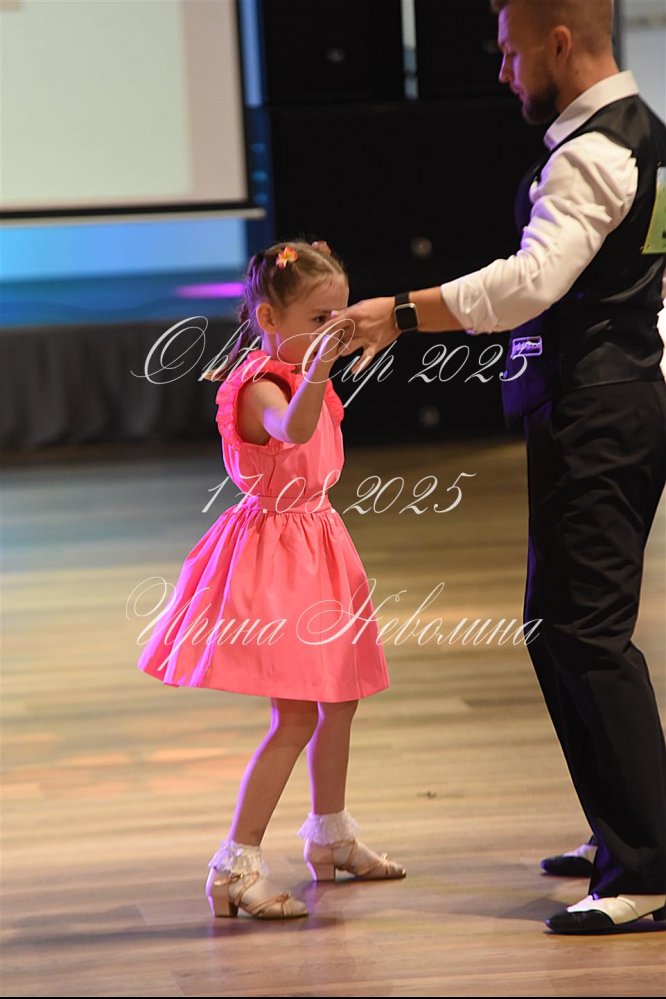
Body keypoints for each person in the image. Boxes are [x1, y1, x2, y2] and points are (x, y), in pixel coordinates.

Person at [329, 0, 666, 934]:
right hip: (606, 402)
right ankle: (624, 826)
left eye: (513, 53)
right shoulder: (640, 134)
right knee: (560, 628)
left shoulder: (595, 152)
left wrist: (400, 311)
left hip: (601, 411)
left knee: (586, 635)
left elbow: (528, 283)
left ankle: (647, 866)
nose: (504, 70)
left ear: (559, 42)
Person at [136, 240, 405, 920]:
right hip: (279, 554)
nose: (334, 330)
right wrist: (317, 369)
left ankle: (331, 834)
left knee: (339, 698)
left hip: (319, 540)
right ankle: (235, 864)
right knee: (297, 713)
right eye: (319, 319)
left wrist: (319, 359)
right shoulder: (263, 385)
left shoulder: (298, 369)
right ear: (268, 318)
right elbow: (295, 427)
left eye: (339, 316)